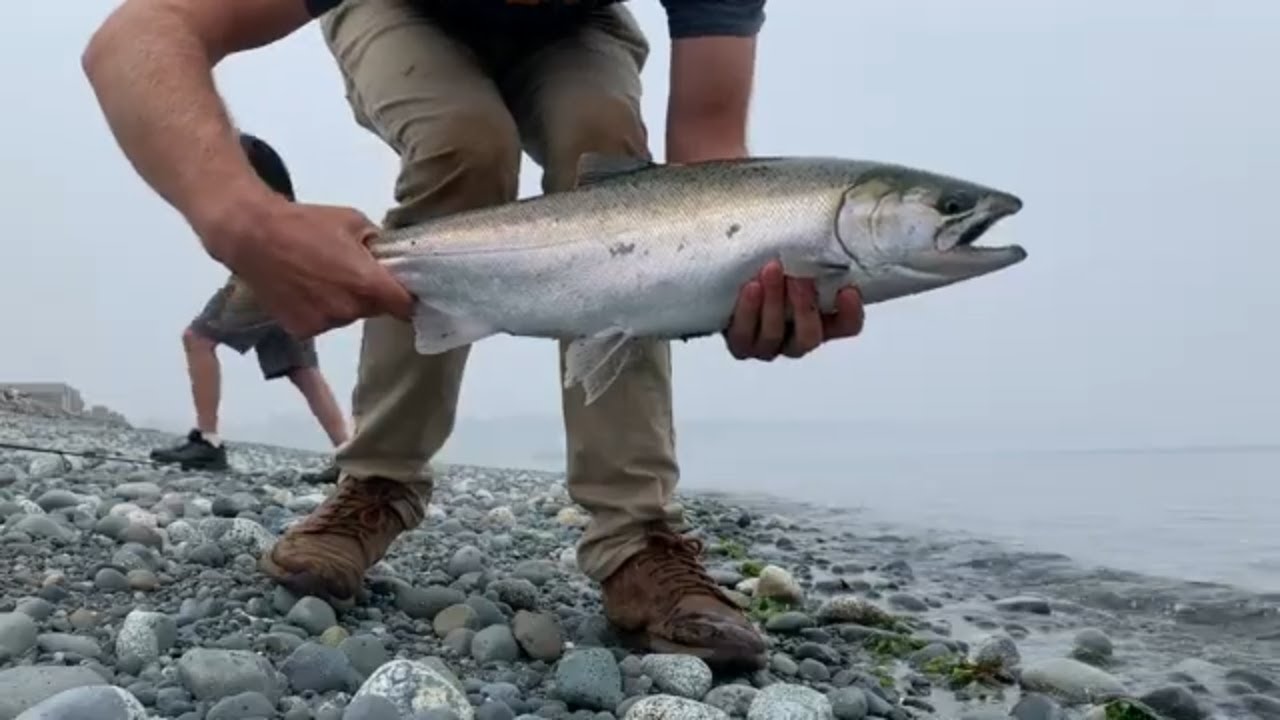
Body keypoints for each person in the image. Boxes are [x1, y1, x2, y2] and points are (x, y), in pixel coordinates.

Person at [82, 0, 865, 669]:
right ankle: (377, 483)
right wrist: (244, 220)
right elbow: (143, 31)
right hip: (403, 10)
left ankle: (639, 535)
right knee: (465, 145)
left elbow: (709, 177)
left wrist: (750, 281)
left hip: (580, 29)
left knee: (609, 149)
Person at [149, 132, 350, 478]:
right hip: (289, 269)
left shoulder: (235, 156)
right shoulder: (251, 158)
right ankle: (351, 456)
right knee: (300, 367)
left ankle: (207, 442)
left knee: (198, 340)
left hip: (262, 271)